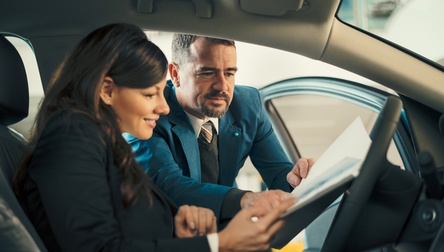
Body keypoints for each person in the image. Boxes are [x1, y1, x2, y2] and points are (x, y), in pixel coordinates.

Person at [13, 23, 296, 252]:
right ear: (107, 91)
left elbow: (126, 222)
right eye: (150, 94)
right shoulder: (70, 139)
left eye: (162, 92)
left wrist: (178, 224)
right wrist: (218, 244)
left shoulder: (101, 143)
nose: (163, 107)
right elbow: (98, 246)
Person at [125, 34, 315, 226]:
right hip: (169, 233)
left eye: (229, 73)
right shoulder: (149, 113)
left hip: (230, 225)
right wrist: (246, 200)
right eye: (207, 73)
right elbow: (171, 187)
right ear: (175, 74)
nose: (222, 86)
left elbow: (279, 175)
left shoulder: (248, 105)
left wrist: (300, 178)